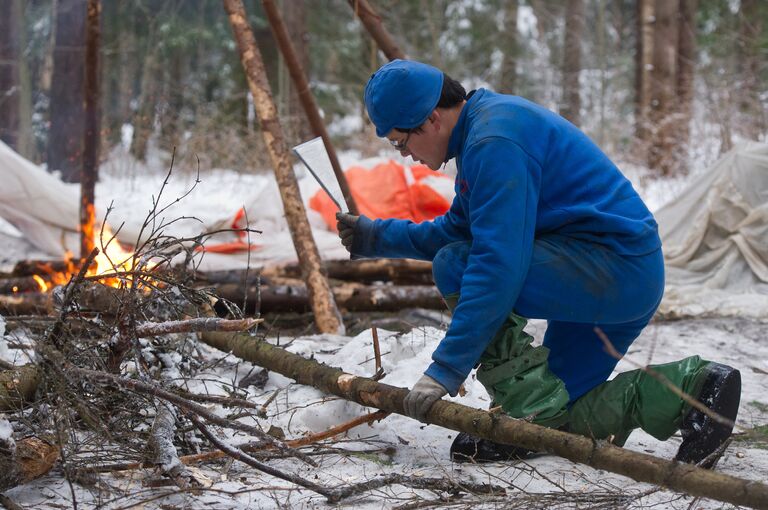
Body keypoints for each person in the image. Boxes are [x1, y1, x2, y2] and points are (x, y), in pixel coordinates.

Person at [336, 59, 741, 466]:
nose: (405, 155)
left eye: (399, 142)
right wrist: (374, 236)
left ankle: (523, 411)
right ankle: (695, 390)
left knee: (456, 265)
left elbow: (495, 263)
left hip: (612, 271)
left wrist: (446, 369)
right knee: (555, 418)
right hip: (610, 275)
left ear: (431, 120)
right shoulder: (485, 130)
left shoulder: (493, 140)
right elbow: (460, 229)